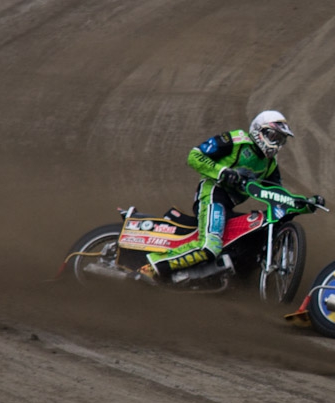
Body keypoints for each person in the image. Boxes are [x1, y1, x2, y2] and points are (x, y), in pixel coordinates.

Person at [138, 110, 323, 282]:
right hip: (213, 193)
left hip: (229, 205)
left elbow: (277, 194)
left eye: (281, 140)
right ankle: (152, 267)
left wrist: (304, 203)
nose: (276, 144)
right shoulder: (236, 141)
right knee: (210, 246)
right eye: (273, 137)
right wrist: (222, 172)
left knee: (251, 236)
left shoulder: (270, 164)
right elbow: (194, 156)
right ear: (259, 131)